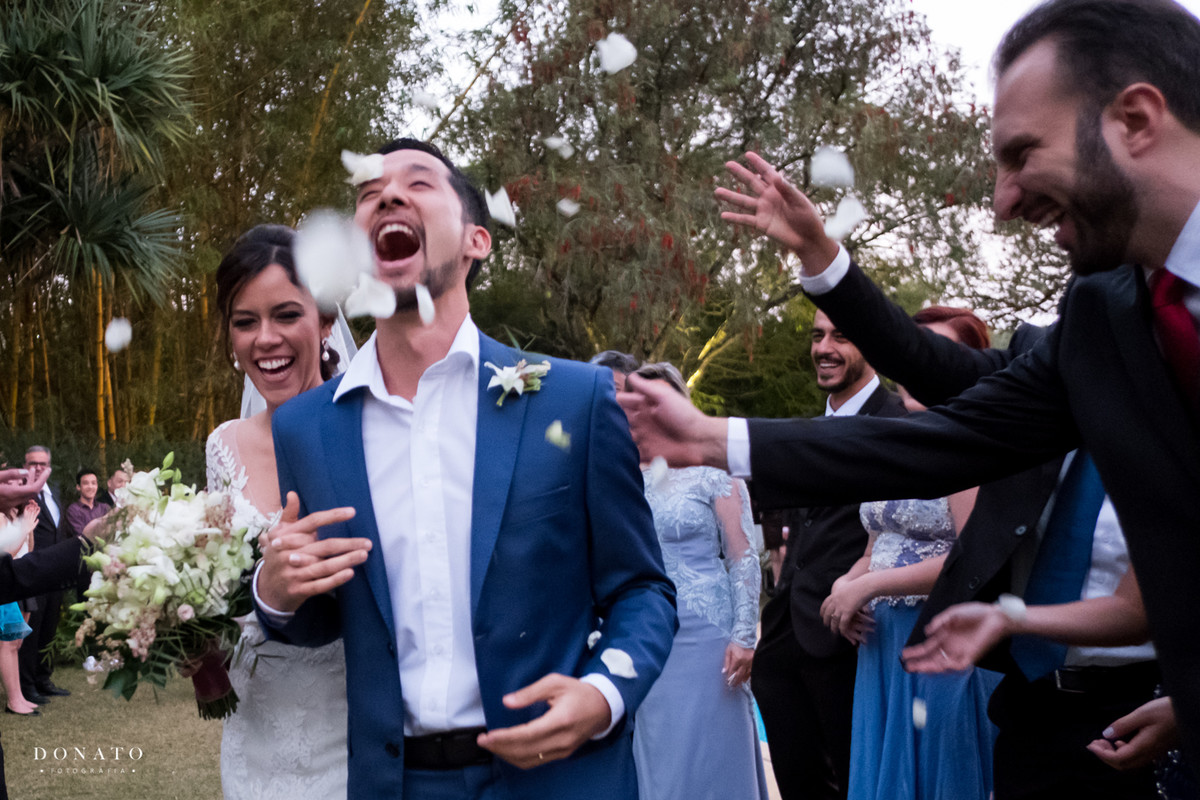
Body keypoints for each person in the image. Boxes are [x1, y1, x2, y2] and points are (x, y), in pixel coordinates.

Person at [619, 0, 1200, 769]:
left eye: (1024, 153)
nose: (1003, 200)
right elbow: (949, 430)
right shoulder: (1105, 315)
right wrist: (712, 436)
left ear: (1134, 119)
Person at [714, 150, 1162, 798]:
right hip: (1033, 704)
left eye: (1022, 157)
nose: (1006, 200)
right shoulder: (1057, 358)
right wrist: (821, 257)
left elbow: (1143, 604)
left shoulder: (1173, 382)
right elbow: (923, 370)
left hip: (1147, 703)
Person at [254, 138, 677, 800]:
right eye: (369, 195)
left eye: (419, 183)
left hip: (562, 780)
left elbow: (642, 588)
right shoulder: (306, 429)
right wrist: (275, 593)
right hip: (397, 784)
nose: (388, 196)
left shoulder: (573, 401)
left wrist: (603, 693)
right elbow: (324, 617)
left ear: (478, 240)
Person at [819, 307, 1000, 800]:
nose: (923, 368)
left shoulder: (969, 446)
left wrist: (871, 585)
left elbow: (973, 558)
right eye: (917, 354)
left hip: (938, 636)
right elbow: (876, 545)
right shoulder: (897, 441)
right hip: (881, 643)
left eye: (941, 355)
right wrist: (845, 586)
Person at [208, 224, 349, 800]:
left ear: (325, 322)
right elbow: (222, 589)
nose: (265, 339)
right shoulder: (224, 444)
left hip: (350, 730)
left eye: (287, 314)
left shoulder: (374, 431)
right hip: (255, 732)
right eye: (245, 322)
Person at [752, 309, 906, 800]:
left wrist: (863, 584)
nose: (823, 348)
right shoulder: (813, 424)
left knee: (855, 782)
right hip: (783, 635)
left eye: (841, 335)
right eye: (818, 336)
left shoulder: (899, 422)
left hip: (851, 636)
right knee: (798, 783)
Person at [629, 362, 768, 800]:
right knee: (659, 752)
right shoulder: (620, 474)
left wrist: (745, 635)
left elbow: (743, 556)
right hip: (645, 634)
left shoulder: (713, 469)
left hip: (708, 636)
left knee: (711, 752)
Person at [18, 446, 68, 705]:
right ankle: (26, 687)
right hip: (32, 571)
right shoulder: (19, 495)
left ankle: (43, 679)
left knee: (49, 627)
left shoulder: (54, 492)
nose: (37, 467)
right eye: (32, 463)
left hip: (56, 572)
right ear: (25, 465)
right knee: (31, 631)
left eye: (42, 463)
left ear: (49, 467)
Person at [0, 500, 38, 716]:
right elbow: (4, 557)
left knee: (14, 642)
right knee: (6, 644)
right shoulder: (0, 518)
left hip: (14, 584)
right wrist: (25, 529)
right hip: (4, 584)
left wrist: (27, 530)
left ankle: (19, 697)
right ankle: (13, 701)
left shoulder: (13, 516)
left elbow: (28, 550)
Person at [63, 469, 111, 537]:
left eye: (93, 483)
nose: (90, 487)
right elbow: (83, 537)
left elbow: (112, 532)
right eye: (86, 483)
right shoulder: (73, 510)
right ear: (78, 487)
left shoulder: (104, 508)